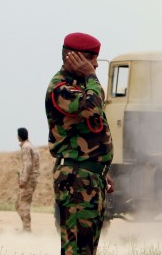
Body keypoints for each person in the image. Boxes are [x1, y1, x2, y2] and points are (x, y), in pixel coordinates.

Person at [45, 32, 114, 255]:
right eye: (90, 57)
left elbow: (92, 130)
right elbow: (93, 106)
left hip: (89, 177)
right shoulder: (61, 88)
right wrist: (92, 76)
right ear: (72, 57)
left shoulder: (81, 84)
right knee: (77, 250)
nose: (95, 64)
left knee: (87, 248)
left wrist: (100, 167)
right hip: (76, 180)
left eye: (95, 59)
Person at [16, 127, 40, 232]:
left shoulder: (26, 147)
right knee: (18, 204)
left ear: (19, 136)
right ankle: (25, 228)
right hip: (32, 178)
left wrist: (23, 180)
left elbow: (28, 164)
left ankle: (26, 230)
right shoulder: (31, 146)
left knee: (23, 204)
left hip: (29, 179)